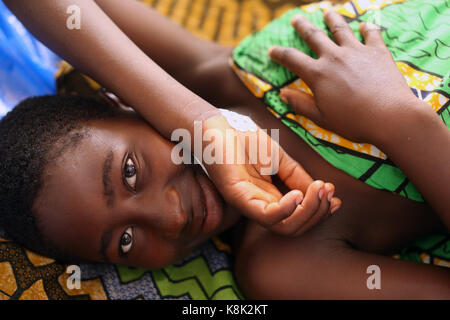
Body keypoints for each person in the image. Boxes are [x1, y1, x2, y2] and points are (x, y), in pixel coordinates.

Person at [1, 0, 449, 299]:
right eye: (125, 240)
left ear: (125, 104)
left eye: (131, 173)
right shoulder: (281, 266)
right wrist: (398, 121)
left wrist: (201, 123)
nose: (171, 217)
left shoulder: (213, 71)